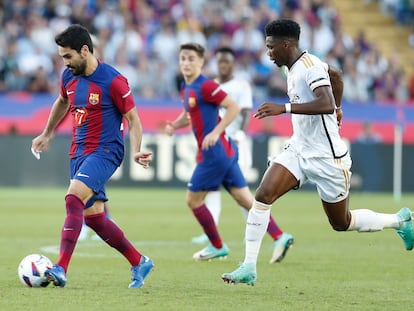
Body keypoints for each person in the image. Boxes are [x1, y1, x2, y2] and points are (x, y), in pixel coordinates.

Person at [222, 19, 414, 286]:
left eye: (271, 47)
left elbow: (324, 100)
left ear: (286, 44)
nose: (268, 53)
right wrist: (339, 108)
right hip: (299, 148)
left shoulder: (308, 67)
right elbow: (335, 75)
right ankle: (249, 267)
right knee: (263, 196)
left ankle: (399, 220)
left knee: (341, 222)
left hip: (328, 158)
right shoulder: (296, 67)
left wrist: (286, 108)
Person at [31, 24, 154, 288]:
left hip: (106, 151)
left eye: (68, 56)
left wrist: (136, 149)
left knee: (73, 197)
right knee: (95, 218)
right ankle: (139, 261)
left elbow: (133, 118)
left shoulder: (114, 81)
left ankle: (61, 267)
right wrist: (47, 133)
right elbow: (62, 101)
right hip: (78, 152)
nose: (64, 62)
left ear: (84, 50)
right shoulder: (68, 77)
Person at [165, 42, 292, 263]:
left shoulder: (206, 86)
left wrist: (216, 131)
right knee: (245, 199)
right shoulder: (188, 87)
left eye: (191, 59)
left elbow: (233, 107)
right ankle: (280, 236)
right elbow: (189, 114)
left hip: (215, 154)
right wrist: (174, 125)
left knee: (193, 200)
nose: (186, 63)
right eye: (183, 58)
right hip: (224, 152)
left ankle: (217, 245)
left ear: (201, 62)